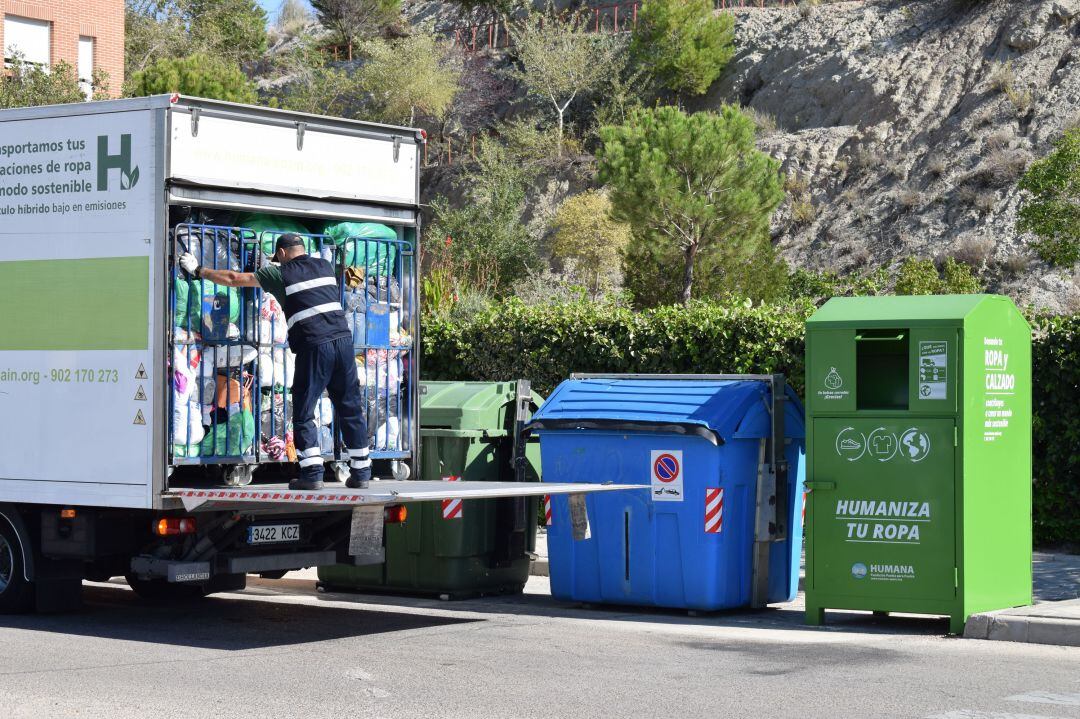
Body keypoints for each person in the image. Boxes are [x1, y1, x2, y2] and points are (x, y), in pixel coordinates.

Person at [179, 234, 370, 490]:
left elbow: (235, 279)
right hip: (344, 342)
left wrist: (199, 270)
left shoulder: (279, 273)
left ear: (281, 253)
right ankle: (361, 472)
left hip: (315, 345)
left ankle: (312, 474)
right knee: (350, 406)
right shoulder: (324, 267)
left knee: (303, 410)